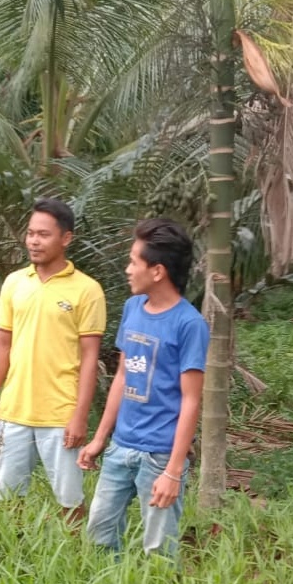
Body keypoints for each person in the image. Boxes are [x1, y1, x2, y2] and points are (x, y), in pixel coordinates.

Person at [78, 218, 209, 557]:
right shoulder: (132, 308)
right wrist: (99, 439)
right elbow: (122, 376)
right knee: (99, 536)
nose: (127, 269)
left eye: (134, 261)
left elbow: (191, 401)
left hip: (160, 455)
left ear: (158, 271)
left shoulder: (189, 324)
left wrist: (173, 472)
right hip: (121, 447)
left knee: (159, 549)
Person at [0, 198, 106, 523]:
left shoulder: (87, 290)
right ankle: (12, 553)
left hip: (60, 414)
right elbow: (2, 344)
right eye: (31, 233)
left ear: (66, 238)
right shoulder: (15, 283)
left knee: (70, 498)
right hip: (14, 411)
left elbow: (91, 357)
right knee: (8, 496)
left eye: (43, 234)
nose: (34, 241)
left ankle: (74, 561)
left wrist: (79, 416)